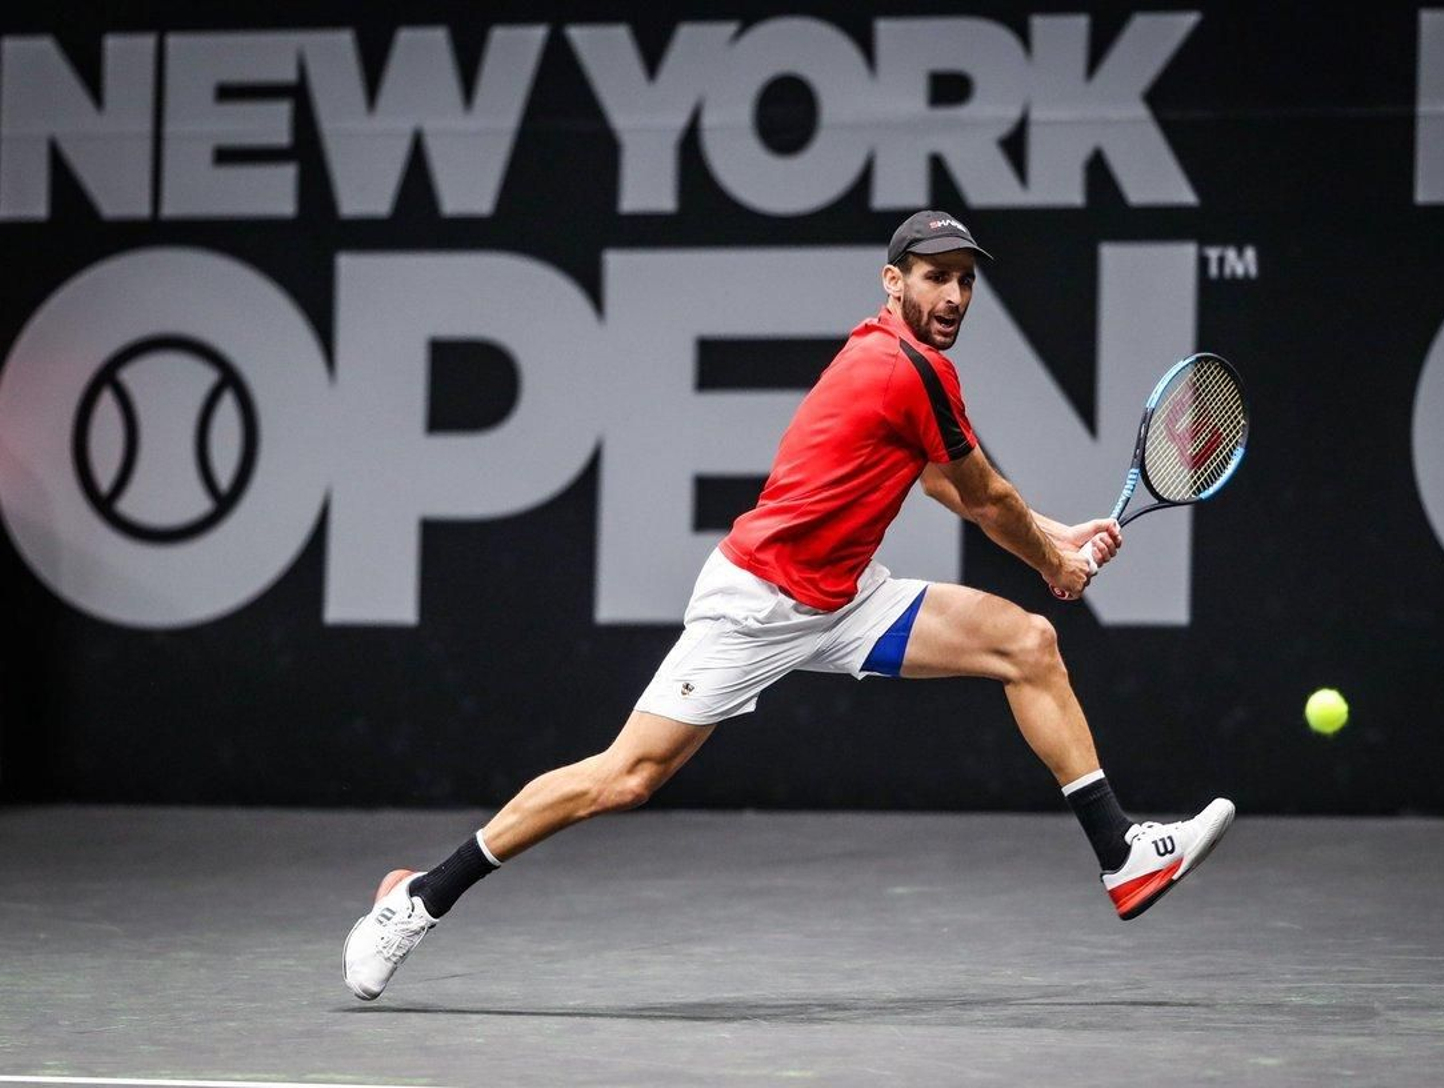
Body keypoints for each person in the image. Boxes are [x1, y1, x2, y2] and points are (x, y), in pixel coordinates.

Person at [342, 211, 1235, 1001]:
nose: (955, 294)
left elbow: (945, 481)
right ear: (894, 283)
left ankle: (1119, 855)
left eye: (966, 280)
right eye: (936, 277)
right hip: (758, 603)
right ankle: (419, 898)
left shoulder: (906, 367)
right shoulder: (905, 369)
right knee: (626, 778)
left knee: (1026, 645)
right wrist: (1054, 559)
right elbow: (989, 498)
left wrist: (1054, 535)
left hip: (845, 596)